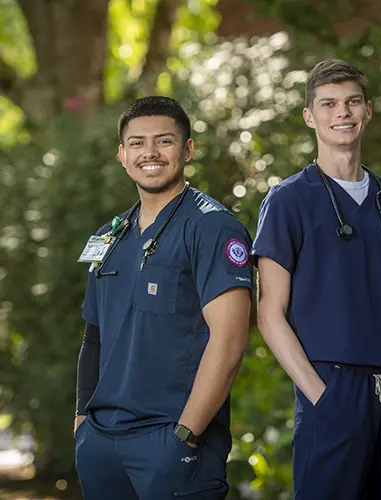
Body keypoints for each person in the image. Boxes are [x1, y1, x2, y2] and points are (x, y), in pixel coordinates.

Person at [251, 59, 381, 500]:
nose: (343, 113)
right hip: (334, 392)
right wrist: (322, 396)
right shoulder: (287, 201)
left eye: (353, 101)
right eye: (329, 104)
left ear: (368, 110)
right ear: (309, 117)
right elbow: (269, 313)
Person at [74, 96, 253, 500]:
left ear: (187, 149)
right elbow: (93, 337)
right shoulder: (109, 236)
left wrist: (186, 433)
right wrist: (82, 417)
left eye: (164, 141)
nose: (149, 153)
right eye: (137, 143)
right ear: (122, 155)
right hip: (101, 442)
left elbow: (229, 340)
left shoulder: (213, 228)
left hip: (171, 443)